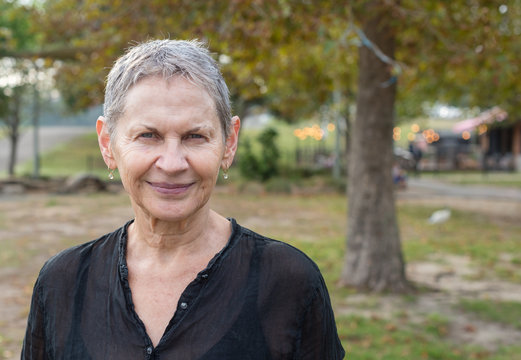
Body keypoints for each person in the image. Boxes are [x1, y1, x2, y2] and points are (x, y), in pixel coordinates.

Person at [22, 39, 345, 359]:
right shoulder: (62, 283)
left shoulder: (288, 281)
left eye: (195, 136)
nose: (172, 163)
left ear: (229, 144)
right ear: (108, 143)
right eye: (148, 136)